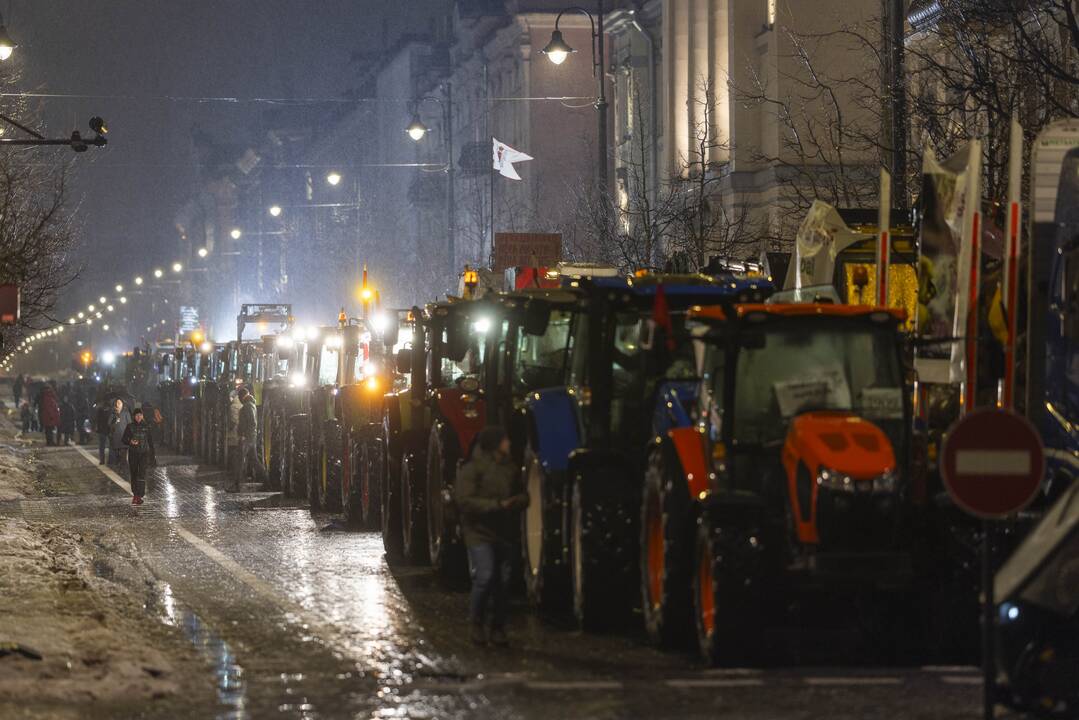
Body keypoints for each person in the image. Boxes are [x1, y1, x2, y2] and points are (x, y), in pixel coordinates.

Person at [455, 426, 529, 647]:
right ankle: (476, 624)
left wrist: (520, 501)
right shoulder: (472, 469)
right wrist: (496, 506)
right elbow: (464, 500)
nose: (509, 443)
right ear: (495, 444)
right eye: (505, 440)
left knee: (502, 582)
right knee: (485, 576)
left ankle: (498, 628)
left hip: (503, 532)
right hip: (479, 531)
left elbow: (523, 493)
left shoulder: (510, 468)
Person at [122, 408, 154, 505]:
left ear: (142, 416)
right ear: (134, 417)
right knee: (134, 474)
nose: (138, 417)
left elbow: (150, 442)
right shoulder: (129, 427)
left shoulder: (147, 427)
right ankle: (135, 495)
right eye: (137, 415)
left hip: (144, 453)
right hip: (133, 453)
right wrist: (130, 441)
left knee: (142, 474)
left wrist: (153, 455)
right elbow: (123, 439)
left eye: (140, 415)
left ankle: (140, 494)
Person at [236, 387, 266, 489]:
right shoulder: (251, 405)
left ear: (241, 396)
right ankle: (266, 480)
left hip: (247, 438)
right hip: (251, 437)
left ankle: (237, 484)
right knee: (254, 460)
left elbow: (250, 423)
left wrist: (244, 435)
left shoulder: (247, 407)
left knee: (240, 459)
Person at [108, 398, 131, 471]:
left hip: (124, 436)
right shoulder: (113, 413)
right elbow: (109, 423)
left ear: (122, 404)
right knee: (118, 453)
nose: (118, 404)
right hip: (116, 436)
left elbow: (130, 424)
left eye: (119, 403)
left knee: (124, 452)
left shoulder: (126, 413)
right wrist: (115, 418)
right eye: (117, 403)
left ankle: (123, 467)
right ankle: (120, 465)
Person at [226, 388, 243, 489]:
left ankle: (235, 476)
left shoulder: (233, 407)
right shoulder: (242, 405)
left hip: (234, 435)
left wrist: (229, 428)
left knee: (234, 456)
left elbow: (232, 421)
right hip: (241, 435)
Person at [94, 393, 111, 464]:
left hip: (101, 429)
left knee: (102, 446)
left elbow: (97, 419)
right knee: (111, 445)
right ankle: (111, 460)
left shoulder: (99, 409)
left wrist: (96, 427)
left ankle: (102, 460)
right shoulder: (111, 409)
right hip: (108, 429)